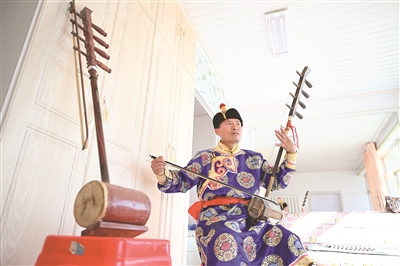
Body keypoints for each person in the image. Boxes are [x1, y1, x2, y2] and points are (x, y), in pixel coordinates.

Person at [151, 104, 314, 265]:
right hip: (216, 217)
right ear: (217, 131)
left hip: (251, 219)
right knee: (226, 239)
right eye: (229, 123)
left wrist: (291, 153)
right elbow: (181, 182)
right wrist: (161, 173)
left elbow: (278, 181)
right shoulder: (205, 157)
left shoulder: (254, 158)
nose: (235, 127)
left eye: (238, 123)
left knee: (287, 238)